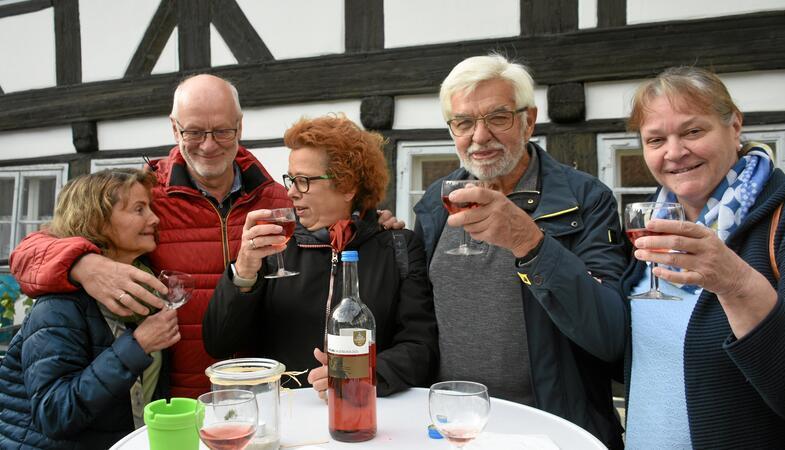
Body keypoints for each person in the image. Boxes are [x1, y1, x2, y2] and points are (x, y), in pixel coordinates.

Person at [8, 74, 292, 398]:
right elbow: (27, 255)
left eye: (222, 131)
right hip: (176, 402)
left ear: (239, 127)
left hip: (262, 393)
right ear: (174, 128)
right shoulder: (147, 197)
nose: (209, 144)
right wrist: (83, 264)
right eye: (194, 132)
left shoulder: (277, 201)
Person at [413, 54, 626, 448]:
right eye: (463, 123)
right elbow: (419, 322)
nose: (479, 137)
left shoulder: (587, 199)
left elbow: (611, 335)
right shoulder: (435, 204)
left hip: (550, 431)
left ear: (529, 121)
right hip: (452, 431)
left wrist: (530, 242)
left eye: (498, 118)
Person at [621, 66, 785, 449]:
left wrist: (735, 282)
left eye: (692, 132)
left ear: (734, 126)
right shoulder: (655, 219)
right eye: (656, 140)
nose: (674, 152)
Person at [203, 115, 438, 397]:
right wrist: (243, 272)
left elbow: (420, 348)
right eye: (291, 179)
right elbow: (219, 343)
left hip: (364, 410)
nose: (291, 192)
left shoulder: (400, 247)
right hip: (287, 411)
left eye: (303, 181)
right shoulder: (273, 248)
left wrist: (358, 374)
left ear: (348, 186)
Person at [0, 169, 179, 449]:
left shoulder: (147, 287)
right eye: (139, 209)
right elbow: (53, 413)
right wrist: (138, 345)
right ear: (98, 220)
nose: (154, 219)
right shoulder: (58, 305)